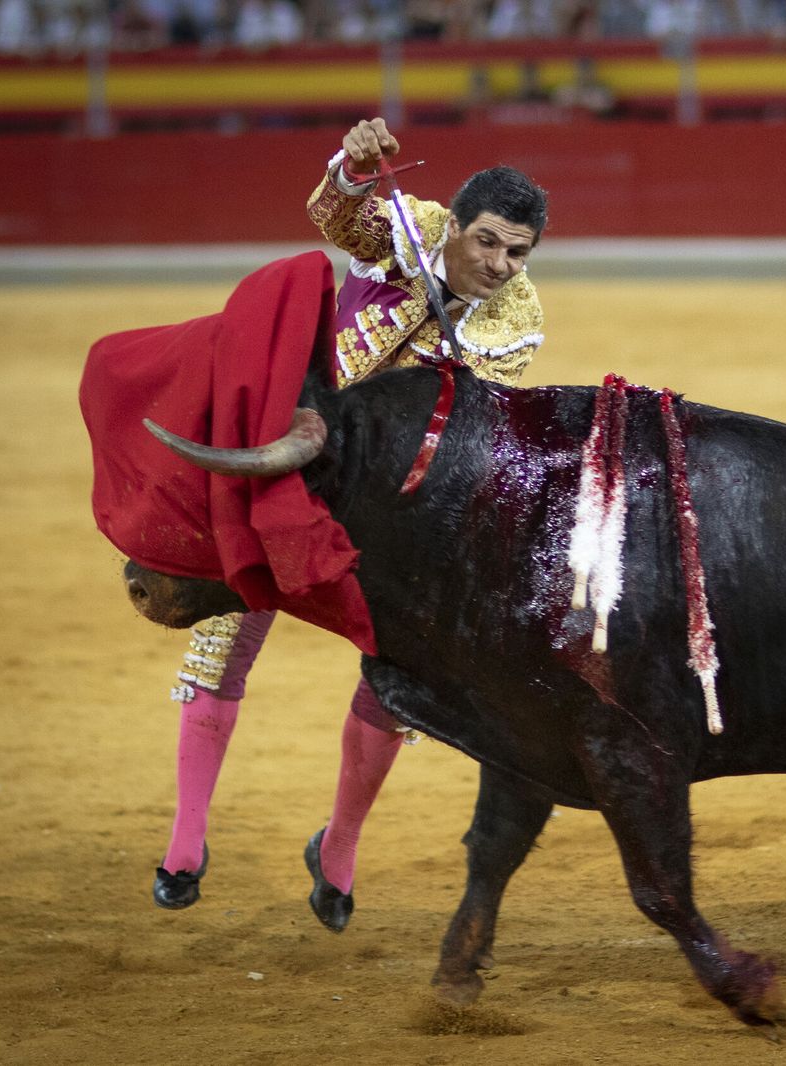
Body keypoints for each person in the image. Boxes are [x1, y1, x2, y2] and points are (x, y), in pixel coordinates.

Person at [152, 117, 549, 934]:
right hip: (293, 455)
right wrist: (356, 168)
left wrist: (453, 350)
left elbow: (474, 423)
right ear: (457, 224)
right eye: (488, 245)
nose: (500, 266)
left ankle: (339, 846)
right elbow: (338, 220)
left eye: (518, 254)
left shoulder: (515, 314)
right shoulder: (415, 228)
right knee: (227, 624)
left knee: (403, 670)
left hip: (389, 507)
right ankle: (185, 839)